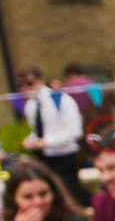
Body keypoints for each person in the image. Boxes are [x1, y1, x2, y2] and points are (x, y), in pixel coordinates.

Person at [20, 67, 89, 202]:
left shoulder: (62, 100)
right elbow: (36, 131)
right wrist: (30, 141)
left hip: (65, 157)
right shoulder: (30, 105)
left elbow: (75, 131)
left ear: (40, 81)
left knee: (70, 195)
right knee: (50, 197)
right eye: (21, 85)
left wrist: (47, 142)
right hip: (43, 158)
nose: (25, 88)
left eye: (29, 83)